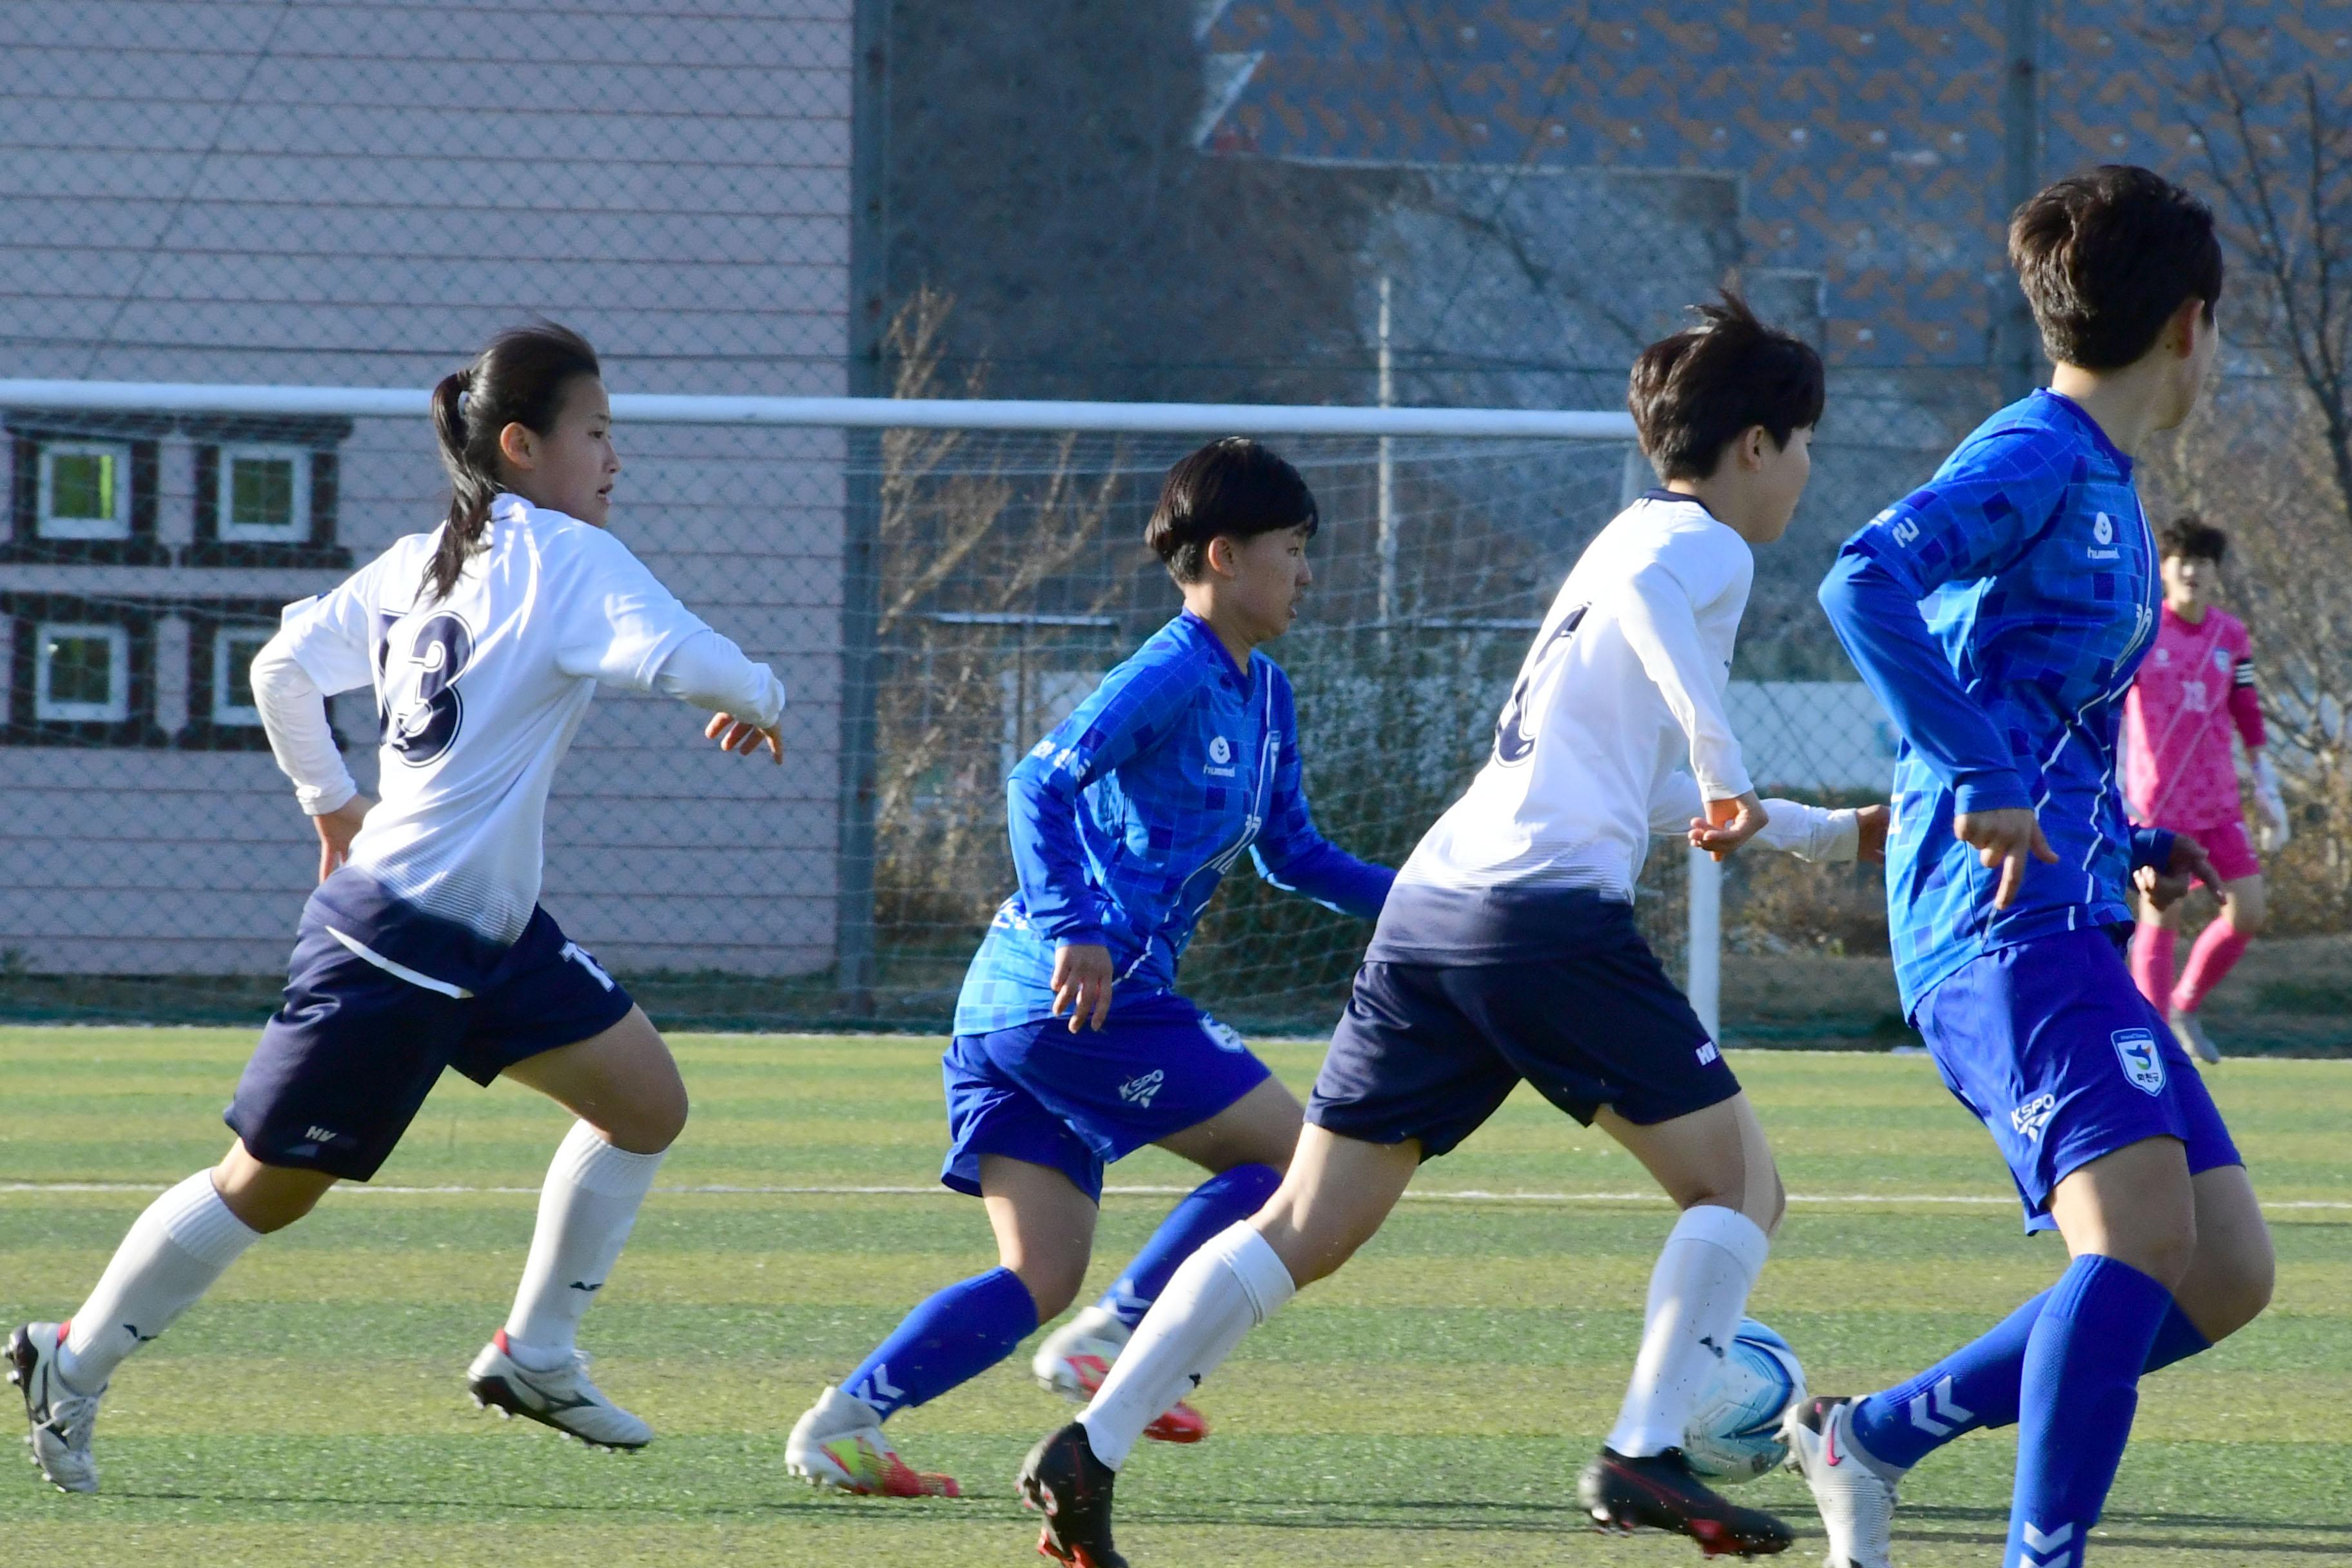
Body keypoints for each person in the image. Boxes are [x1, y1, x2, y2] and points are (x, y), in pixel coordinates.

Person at [1016, 294, 1888, 1567]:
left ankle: (1089, 1447)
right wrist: (1724, 753)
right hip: (1536, 918)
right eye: (1805, 444)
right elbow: (1670, 668)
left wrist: (1823, 828)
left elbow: (1633, 786)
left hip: (1435, 910)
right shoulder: (1696, 547)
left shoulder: (1617, 548)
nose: (1806, 474)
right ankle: (1644, 1451)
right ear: (1757, 444)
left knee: (1309, 1223)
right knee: (1741, 1185)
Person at [6, 324, 789, 1492]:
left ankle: (537, 1352)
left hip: (489, 927)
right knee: (265, 1188)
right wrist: (764, 698)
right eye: (596, 431)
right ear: (523, 445)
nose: (615, 457)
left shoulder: (426, 557)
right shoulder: (567, 558)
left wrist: (334, 807)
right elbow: (719, 673)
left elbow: (280, 665)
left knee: (646, 1105)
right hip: (400, 944)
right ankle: (67, 1356)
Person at [1796, 167, 2274, 1568]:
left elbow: (2033, 703)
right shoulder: (2039, 453)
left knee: (2227, 1266)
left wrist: (2128, 840)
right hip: (1996, 922)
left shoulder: (2109, 490)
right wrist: (1986, 780)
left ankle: (1873, 1434)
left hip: (2068, 898)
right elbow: (1861, 577)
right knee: (2129, 1242)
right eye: (2224, 328)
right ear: (2190, 323)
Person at [783, 438, 1393, 1499]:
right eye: (1290, 547)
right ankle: (1111, 1337)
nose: (1305, 571)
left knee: (1040, 1270)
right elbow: (1037, 780)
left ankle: (844, 1422)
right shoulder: (1170, 669)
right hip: (1076, 994)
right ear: (1222, 553)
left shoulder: (1267, 697)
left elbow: (1293, 854)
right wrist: (1072, 925)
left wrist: (1436, 905)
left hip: (1017, 1015)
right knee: (1298, 1165)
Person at [2124, 514, 2286, 1063]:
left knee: (2249, 912)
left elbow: (2244, 706)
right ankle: (2152, 1042)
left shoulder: (2230, 635)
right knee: (2159, 915)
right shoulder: (2144, 630)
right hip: (2159, 805)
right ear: (2164, 570)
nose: (2192, 570)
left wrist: (2264, 780)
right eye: (2182, 561)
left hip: (2219, 802)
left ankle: (2183, 1004)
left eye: (2203, 562)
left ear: (2215, 572)